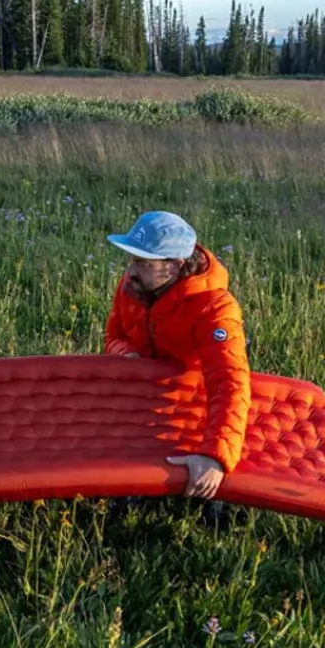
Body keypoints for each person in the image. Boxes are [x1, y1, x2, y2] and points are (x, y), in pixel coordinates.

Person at [104, 211, 250, 500]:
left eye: (143, 262)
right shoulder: (132, 286)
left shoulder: (215, 309)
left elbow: (229, 382)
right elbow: (114, 337)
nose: (130, 271)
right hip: (140, 401)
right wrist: (127, 355)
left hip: (192, 407)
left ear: (175, 266)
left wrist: (215, 457)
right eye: (131, 259)